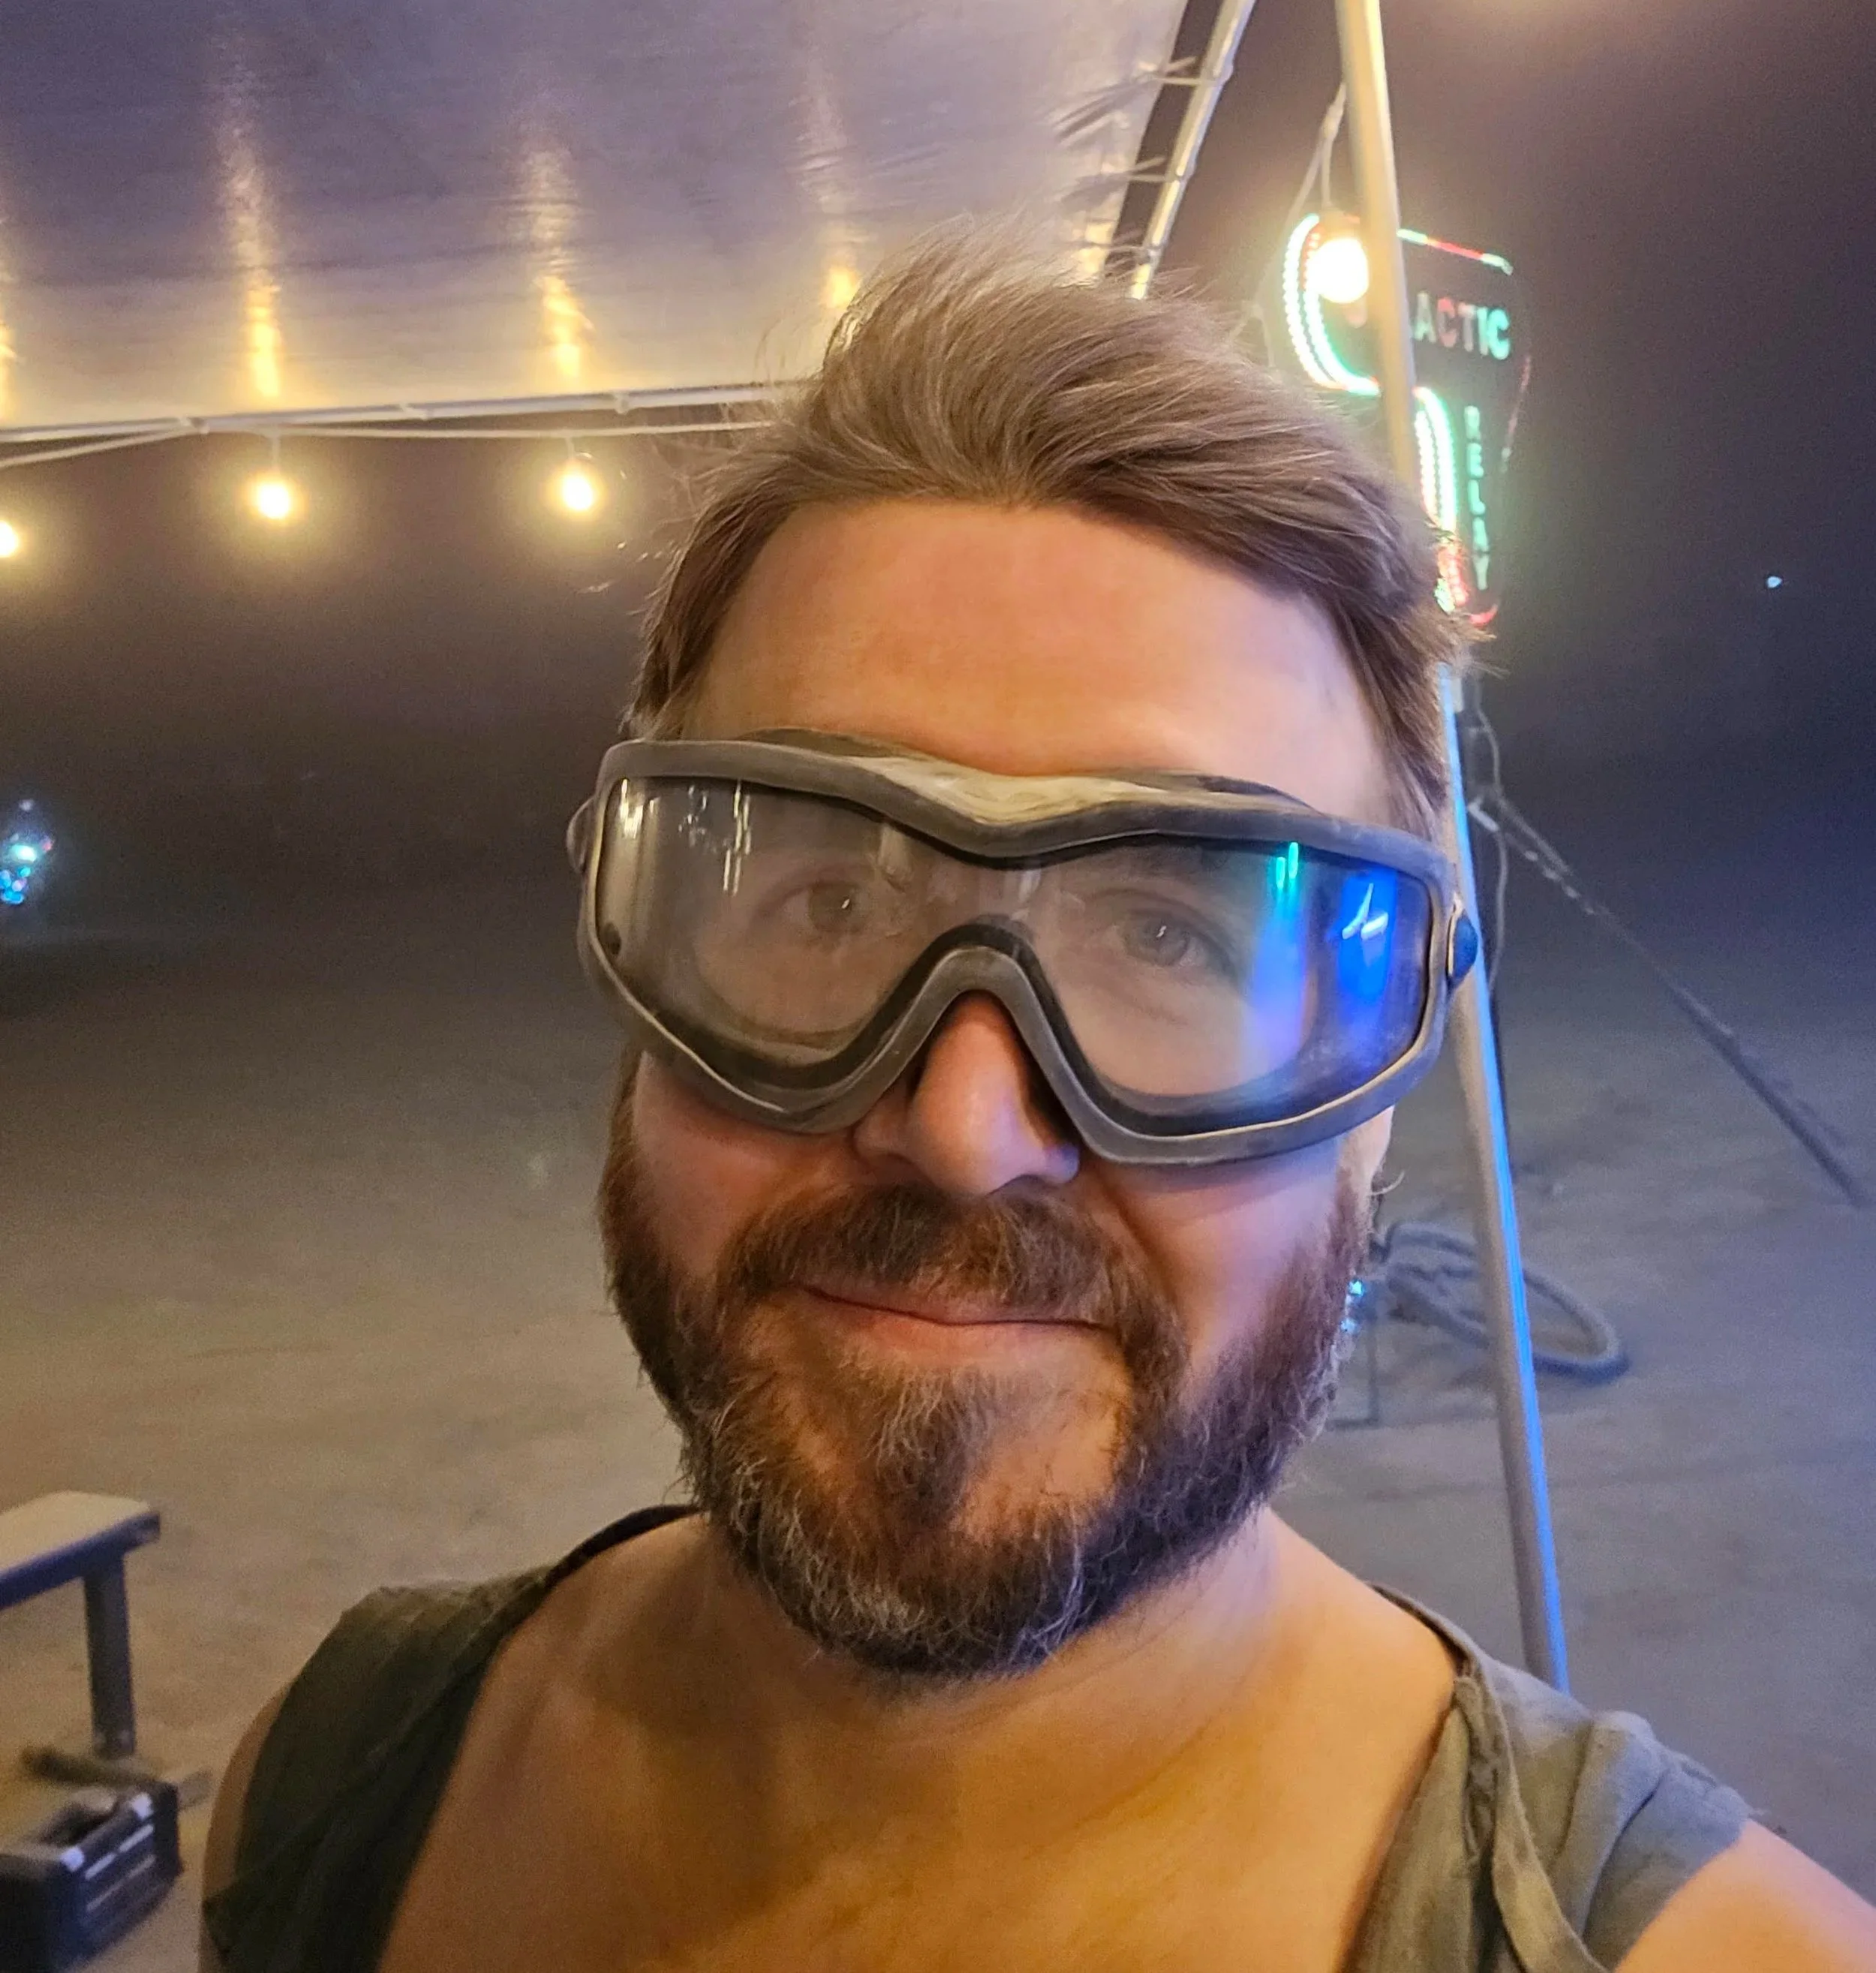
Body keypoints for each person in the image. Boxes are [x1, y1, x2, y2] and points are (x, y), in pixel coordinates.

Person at [200, 239, 1876, 1972]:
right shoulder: (335, 1785)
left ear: (1368, 1108)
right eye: (826, 902)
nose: (966, 1126)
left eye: (1167, 930)